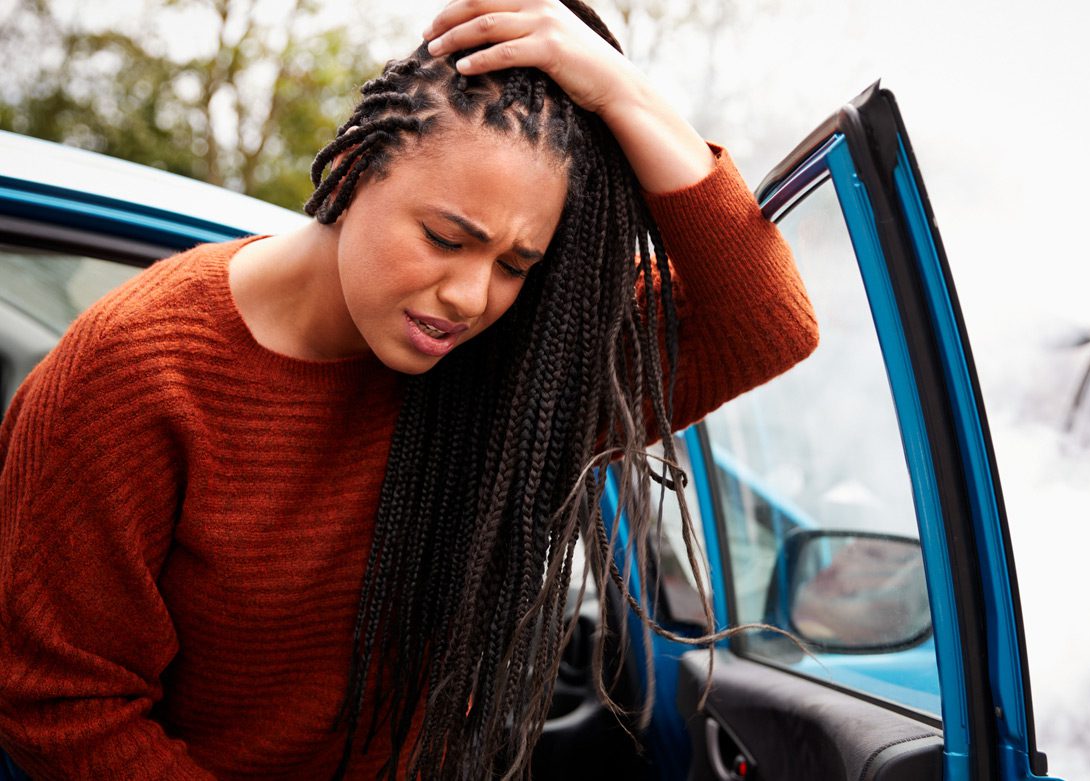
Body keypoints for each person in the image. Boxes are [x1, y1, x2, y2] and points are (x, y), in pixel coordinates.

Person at [0, 1, 818, 779]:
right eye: (444, 238)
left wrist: (619, 89)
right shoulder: (135, 371)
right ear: (357, 169)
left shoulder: (505, 369)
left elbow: (767, 320)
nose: (471, 296)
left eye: (514, 265)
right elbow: (61, 701)